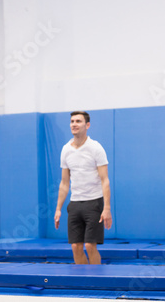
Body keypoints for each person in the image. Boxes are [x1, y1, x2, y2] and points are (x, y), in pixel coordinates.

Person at [54, 111, 112, 265]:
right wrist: (58, 208)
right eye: (72, 121)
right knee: (75, 247)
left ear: (87, 125)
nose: (74, 124)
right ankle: (83, 281)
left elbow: (105, 180)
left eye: (78, 121)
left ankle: (96, 281)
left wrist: (107, 208)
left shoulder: (95, 148)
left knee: (90, 246)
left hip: (94, 203)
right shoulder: (66, 149)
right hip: (75, 204)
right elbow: (64, 183)